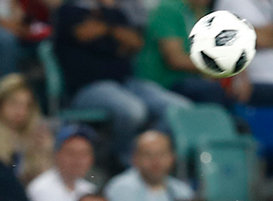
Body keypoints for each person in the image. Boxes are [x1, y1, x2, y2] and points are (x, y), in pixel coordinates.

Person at [54, 0, 190, 165]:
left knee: (180, 110)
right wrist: (114, 32)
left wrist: (106, 29)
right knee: (132, 111)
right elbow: (84, 32)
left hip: (126, 83)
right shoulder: (69, 10)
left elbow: (136, 42)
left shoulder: (114, 12)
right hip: (88, 88)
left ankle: (142, 153)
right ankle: (120, 158)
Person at [136, 0, 239, 105]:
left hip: (190, 80)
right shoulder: (168, 9)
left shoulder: (203, 12)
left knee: (232, 90)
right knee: (212, 90)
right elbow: (176, 60)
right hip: (163, 82)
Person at [26, 124, 96, 201]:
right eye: (71, 153)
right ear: (57, 155)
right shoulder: (40, 188)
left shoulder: (90, 190)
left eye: (83, 154)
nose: (78, 160)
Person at [0, 74, 52, 184]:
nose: (21, 111)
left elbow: (44, 182)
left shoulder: (35, 138)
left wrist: (45, 152)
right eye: (14, 103)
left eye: (27, 105)